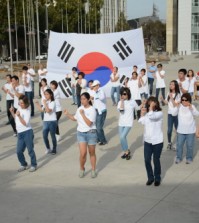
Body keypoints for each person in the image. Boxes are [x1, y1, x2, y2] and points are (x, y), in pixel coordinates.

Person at [64, 92, 97, 178]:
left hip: (91, 133)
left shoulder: (92, 109)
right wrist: (68, 114)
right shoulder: (79, 109)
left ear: (88, 99)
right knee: (83, 153)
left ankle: (93, 169)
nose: (82, 101)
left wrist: (83, 114)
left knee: (92, 152)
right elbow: (74, 118)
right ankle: (82, 168)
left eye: (84, 99)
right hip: (81, 133)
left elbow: (89, 123)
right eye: (81, 99)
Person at [138, 96, 163, 186]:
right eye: (150, 103)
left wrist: (151, 109)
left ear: (156, 104)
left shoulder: (159, 113)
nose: (151, 104)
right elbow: (141, 121)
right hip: (147, 142)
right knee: (147, 160)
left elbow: (153, 117)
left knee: (156, 160)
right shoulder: (149, 114)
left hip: (157, 141)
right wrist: (142, 113)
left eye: (153, 102)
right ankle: (150, 178)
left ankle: (157, 178)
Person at [10, 95, 37, 172]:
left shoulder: (27, 111)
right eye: (19, 103)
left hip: (27, 132)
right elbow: (16, 118)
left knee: (30, 150)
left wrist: (19, 116)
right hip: (20, 133)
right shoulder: (19, 109)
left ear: (26, 103)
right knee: (18, 151)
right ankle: (24, 164)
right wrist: (12, 112)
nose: (20, 104)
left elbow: (25, 123)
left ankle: (33, 165)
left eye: (22, 103)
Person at [175, 93, 199, 164]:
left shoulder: (192, 107)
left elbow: (197, 114)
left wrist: (191, 108)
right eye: (183, 100)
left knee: (190, 146)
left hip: (190, 131)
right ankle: (178, 157)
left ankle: (189, 158)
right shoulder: (179, 107)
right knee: (179, 145)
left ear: (189, 100)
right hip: (181, 131)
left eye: (186, 100)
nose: (184, 101)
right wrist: (177, 105)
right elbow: (173, 113)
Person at [117, 87, 139, 160]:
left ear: (128, 94)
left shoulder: (132, 102)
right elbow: (121, 111)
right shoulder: (120, 102)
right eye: (121, 94)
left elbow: (138, 108)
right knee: (122, 139)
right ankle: (126, 151)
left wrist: (144, 104)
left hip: (128, 123)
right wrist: (122, 102)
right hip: (121, 123)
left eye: (124, 94)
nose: (123, 95)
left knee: (122, 137)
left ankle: (126, 152)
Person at [35, 89, 57, 155]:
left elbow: (48, 111)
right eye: (45, 94)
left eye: (47, 94)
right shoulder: (46, 102)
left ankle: (54, 149)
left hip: (52, 121)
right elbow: (42, 110)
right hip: (45, 121)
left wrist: (44, 103)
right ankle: (48, 148)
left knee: (52, 136)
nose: (46, 95)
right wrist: (37, 104)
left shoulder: (53, 102)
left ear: (51, 95)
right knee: (44, 136)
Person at [161, 80, 181, 150]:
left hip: (177, 115)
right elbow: (167, 102)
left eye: (172, 84)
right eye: (170, 84)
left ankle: (178, 144)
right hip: (170, 114)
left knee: (177, 130)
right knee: (169, 130)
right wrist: (163, 99)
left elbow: (175, 105)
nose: (171, 86)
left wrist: (171, 97)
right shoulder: (168, 93)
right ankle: (169, 143)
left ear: (175, 86)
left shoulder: (178, 94)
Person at [91, 80, 107, 145]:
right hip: (96, 110)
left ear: (98, 85)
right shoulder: (93, 92)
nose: (93, 87)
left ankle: (103, 140)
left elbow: (102, 98)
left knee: (99, 127)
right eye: (93, 86)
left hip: (102, 111)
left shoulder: (101, 91)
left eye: (94, 86)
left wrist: (95, 96)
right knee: (96, 126)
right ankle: (98, 139)